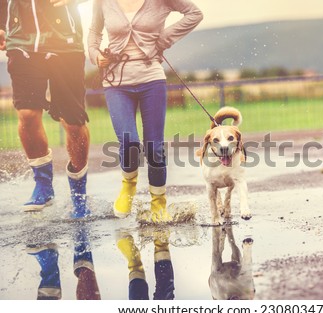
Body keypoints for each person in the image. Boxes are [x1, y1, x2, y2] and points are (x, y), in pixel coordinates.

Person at [88, 0, 203, 223]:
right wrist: (95, 54)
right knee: (129, 142)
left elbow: (194, 13)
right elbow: (94, 32)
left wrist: (164, 39)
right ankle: (128, 185)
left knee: (154, 148)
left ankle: (158, 202)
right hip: (116, 83)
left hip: (152, 79)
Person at [0, 0, 90, 218]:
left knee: (73, 123)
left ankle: (79, 194)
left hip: (65, 44)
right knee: (27, 114)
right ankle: (43, 185)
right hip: (22, 43)